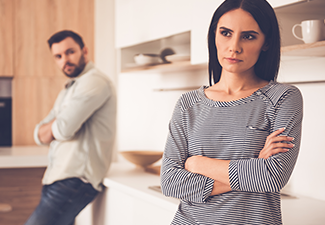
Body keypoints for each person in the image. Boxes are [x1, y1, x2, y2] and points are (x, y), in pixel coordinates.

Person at [160, 0, 303, 224]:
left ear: (266, 42)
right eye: (226, 33)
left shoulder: (283, 98)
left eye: (248, 36)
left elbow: (273, 176)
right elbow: (170, 181)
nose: (234, 46)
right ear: (214, 35)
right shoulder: (188, 104)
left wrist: (197, 164)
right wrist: (255, 165)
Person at [25, 30, 117, 225]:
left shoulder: (95, 81)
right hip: (58, 177)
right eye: (58, 56)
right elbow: (39, 133)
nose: (64, 60)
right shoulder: (69, 88)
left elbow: (64, 129)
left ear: (84, 51)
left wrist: (55, 126)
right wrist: (54, 126)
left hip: (75, 180)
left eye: (70, 52)